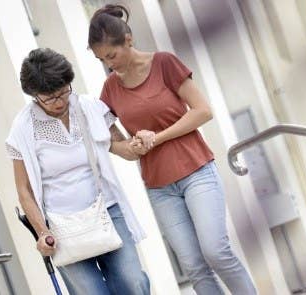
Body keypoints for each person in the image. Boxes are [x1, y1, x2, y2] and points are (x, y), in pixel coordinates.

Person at [88, 4, 257, 295]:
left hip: (196, 172)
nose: (109, 65)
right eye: (102, 59)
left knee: (216, 251)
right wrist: (126, 147)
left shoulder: (165, 63)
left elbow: (203, 111)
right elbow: (104, 131)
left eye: (112, 55)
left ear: (128, 39)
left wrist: (158, 136)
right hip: (159, 188)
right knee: (193, 265)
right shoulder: (110, 88)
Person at [6, 48, 150, 295]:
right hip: (62, 227)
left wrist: (136, 145)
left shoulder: (89, 108)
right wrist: (43, 233)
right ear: (34, 96)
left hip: (106, 210)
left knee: (134, 283)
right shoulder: (23, 128)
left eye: (63, 92)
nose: (60, 101)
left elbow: (120, 147)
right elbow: (24, 190)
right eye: (50, 98)